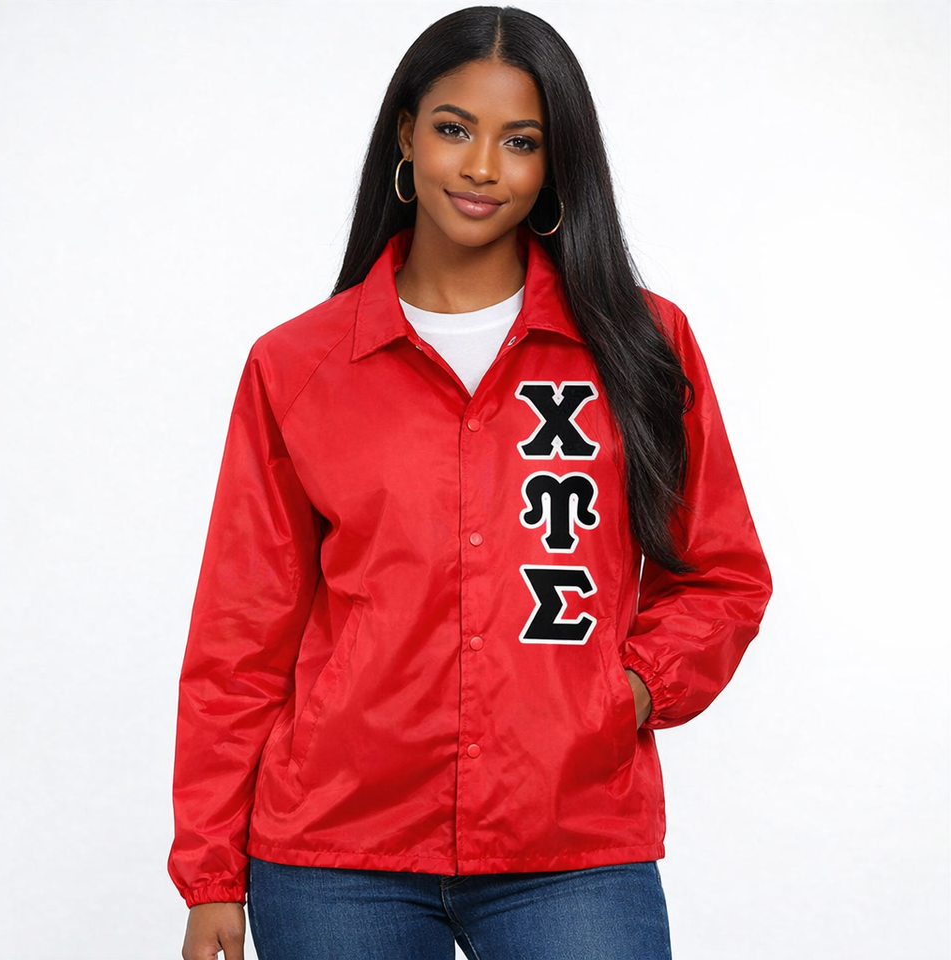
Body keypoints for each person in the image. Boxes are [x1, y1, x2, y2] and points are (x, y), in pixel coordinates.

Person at [169, 6, 772, 959]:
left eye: (520, 141)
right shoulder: (298, 365)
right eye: (455, 128)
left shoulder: (642, 344)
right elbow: (240, 636)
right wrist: (211, 874)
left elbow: (723, 574)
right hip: (334, 851)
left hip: (571, 842)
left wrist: (627, 691)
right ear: (407, 135)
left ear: (556, 163)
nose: (483, 166)